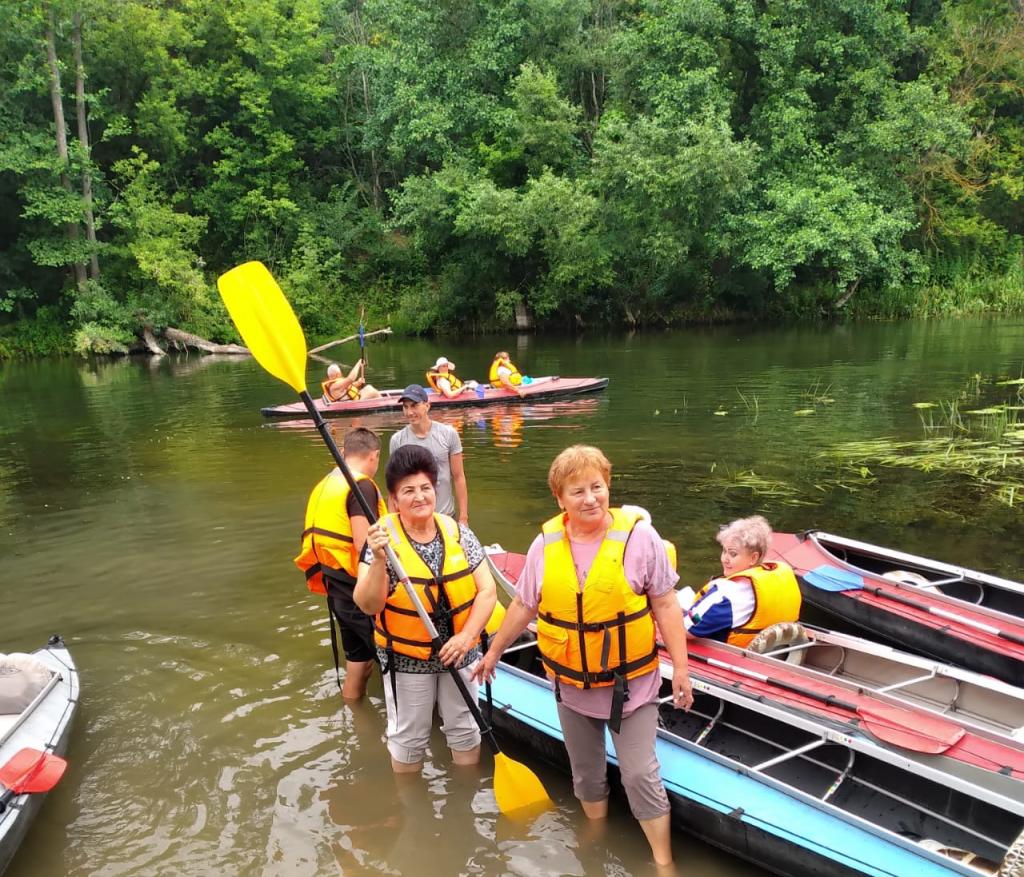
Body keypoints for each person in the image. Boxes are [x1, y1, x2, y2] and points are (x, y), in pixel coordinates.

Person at [473, 445, 693, 867]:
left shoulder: (639, 538)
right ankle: (594, 834)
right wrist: (494, 652)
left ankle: (663, 862)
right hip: (571, 684)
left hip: (631, 685)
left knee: (639, 774)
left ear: (608, 487)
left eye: (597, 487)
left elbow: (665, 603)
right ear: (560, 499)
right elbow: (524, 605)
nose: (590, 498)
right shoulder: (545, 544)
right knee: (586, 773)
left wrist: (680, 669)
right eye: (578, 491)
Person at [353, 445, 498, 774]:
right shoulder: (380, 542)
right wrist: (377, 560)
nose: (419, 497)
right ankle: (412, 812)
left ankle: (463, 800)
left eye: (425, 488)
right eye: (408, 491)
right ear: (393, 500)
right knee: (408, 739)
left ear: (435, 490)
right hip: (407, 660)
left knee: (465, 730)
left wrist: (466, 637)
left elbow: (487, 591)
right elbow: (368, 604)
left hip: (460, 653)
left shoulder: (459, 532)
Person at [294, 427, 387, 700]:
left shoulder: (325, 484)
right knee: (393, 660)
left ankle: (355, 718)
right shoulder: (361, 485)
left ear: (345, 452)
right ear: (374, 456)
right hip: (358, 592)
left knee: (358, 662)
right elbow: (363, 546)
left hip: (335, 588)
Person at [681, 515, 802, 645]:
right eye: (724, 551)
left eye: (733, 554)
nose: (724, 559)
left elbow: (686, 629)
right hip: (774, 650)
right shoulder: (774, 579)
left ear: (753, 558)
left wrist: (674, 610)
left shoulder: (726, 595)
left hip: (730, 657)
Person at [389, 384, 469, 523]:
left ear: (427, 406)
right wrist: (392, 522)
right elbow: (394, 485)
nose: (409, 412)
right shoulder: (398, 440)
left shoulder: (448, 434)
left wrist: (463, 517)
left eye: (414, 405)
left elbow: (459, 477)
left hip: (446, 516)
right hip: (412, 518)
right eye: (405, 407)